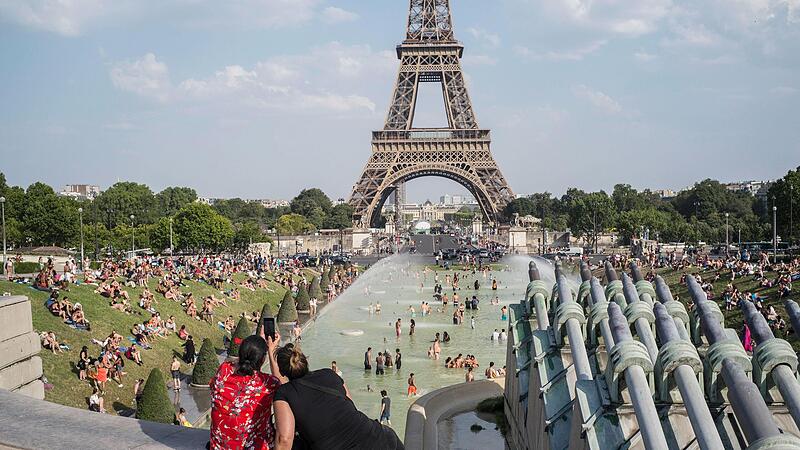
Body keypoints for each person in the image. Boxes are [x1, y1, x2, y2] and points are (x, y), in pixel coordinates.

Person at [272, 344, 404, 450]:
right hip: (384, 440)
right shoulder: (329, 374)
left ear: (282, 371)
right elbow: (351, 404)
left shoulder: (284, 393)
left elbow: (284, 440)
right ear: (305, 361)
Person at [209, 333, 282, 450]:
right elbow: (284, 389)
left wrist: (254, 346)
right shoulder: (269, 383)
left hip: (219, 446)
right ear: (263, 359)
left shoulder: (224, 369)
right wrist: (271, 351)